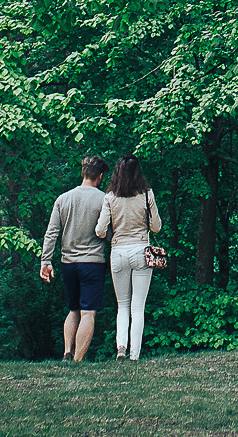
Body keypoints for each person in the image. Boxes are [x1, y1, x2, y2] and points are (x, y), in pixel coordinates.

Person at [38, 154, 115, 362]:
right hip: (93, 263)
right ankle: (78, 360)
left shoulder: (63, 199)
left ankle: (66, 353)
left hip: (68, 264)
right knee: (88, 313)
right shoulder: (104, 199)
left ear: (82, 174)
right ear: (100, 176)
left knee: (73, 309)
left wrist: (45, 261)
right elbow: (107, 233)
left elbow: (52, 232)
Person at [92, 153, 163, 361]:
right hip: (141, 250)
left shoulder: (110, 197)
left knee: (122, 304)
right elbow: (156, 227)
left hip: (118, 252)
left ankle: (120, 347)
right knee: (138, 307)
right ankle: (135, 354)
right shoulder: (147, 194)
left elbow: (99, 230)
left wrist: (113, 235)